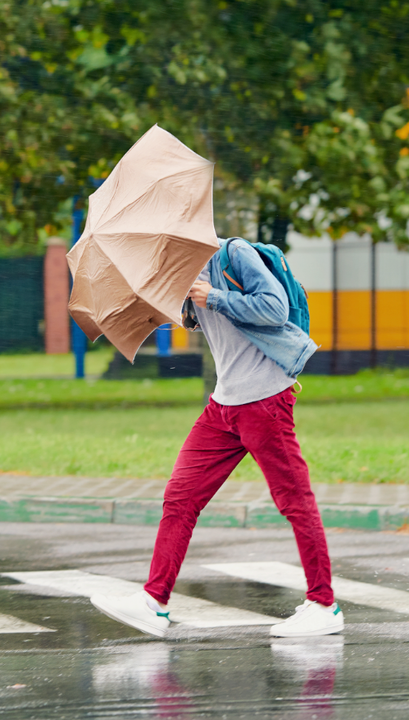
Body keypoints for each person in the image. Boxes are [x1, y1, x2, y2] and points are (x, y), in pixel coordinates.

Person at [91, 237, 342, 638]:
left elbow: (274, 309)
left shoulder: (234, 254)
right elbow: (200, 321)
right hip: (223, 406)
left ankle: (324, 605)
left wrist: (216, 297)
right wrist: (172, 304)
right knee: (180, 498)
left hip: (264, 402)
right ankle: (153, 603)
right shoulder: (180, 271)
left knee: (294, 499)